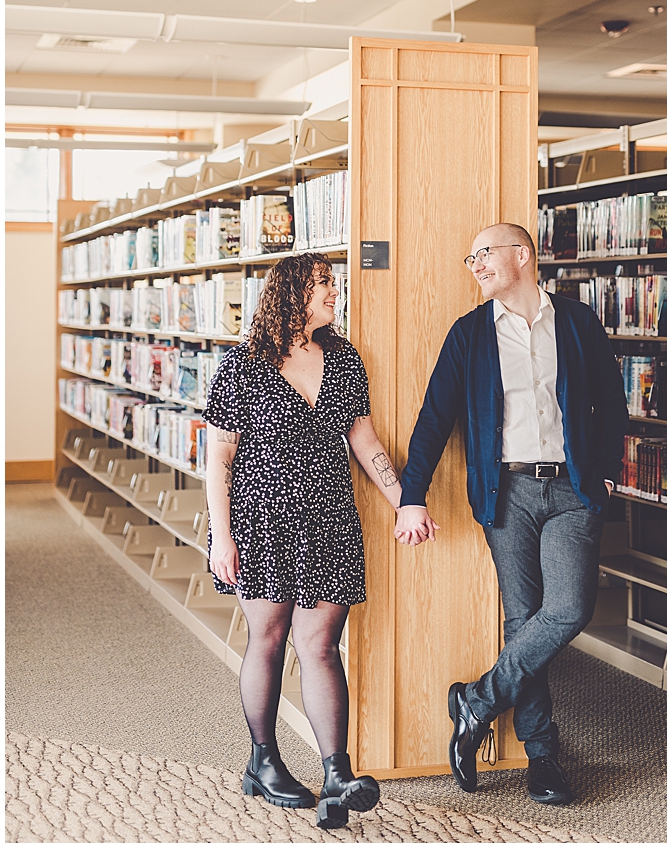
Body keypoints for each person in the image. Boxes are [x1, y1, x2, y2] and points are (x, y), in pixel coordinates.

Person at [395, 222, 626, 807]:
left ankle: (476, 700)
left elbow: (610, 401)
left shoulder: (576, 322)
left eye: (484, 254)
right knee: (524, 621)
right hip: (507, 493)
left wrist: (604, 472)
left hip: (571, 489)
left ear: (521, 256)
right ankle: (542, 756)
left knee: (569, 608)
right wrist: (411, 496)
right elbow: (433, 419)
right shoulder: (470, 334)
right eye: (469, 257)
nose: (474, 265)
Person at [204, 253, 404, 828]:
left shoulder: (342, 358)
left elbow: (364, 440)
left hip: (331, 521)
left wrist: (403, 502)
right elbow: (217, 460)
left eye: (334, 285)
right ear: (291, 292)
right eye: (323, 285)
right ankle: (263, 761)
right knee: (266, 638)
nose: (333, 294)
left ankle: (336, 773)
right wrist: (222, 537)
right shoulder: (242, 365)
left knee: (320, 645)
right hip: (261, 522)